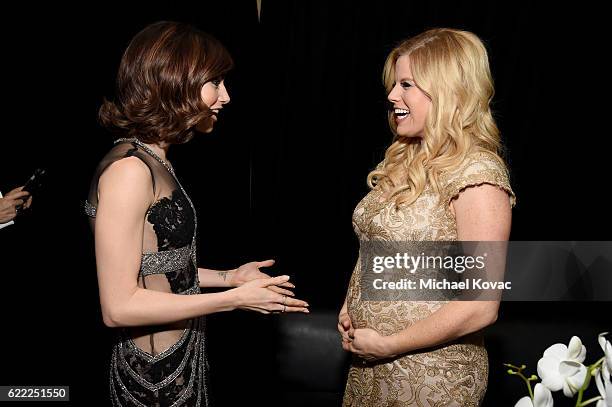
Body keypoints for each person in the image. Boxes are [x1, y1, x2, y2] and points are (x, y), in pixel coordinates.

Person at [85, 21, 309, 406]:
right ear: (177, 82)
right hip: (151, 380)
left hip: (177, 362)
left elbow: (153, 264)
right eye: (215, 82)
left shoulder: (153, 159)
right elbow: (118, 307)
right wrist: (235, 299)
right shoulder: (130, 170)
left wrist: (229, 277)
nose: (225, 96)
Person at [338, 28, 516, 406]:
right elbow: (377, 248)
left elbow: (481, 304)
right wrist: (349, 306)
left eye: (407, 84)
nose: (392, 96)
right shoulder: (404, 159)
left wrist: (389, 344)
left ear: (449, 91)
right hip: (369, 366)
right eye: (393, 84)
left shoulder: (478, 171)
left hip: (432, 376)